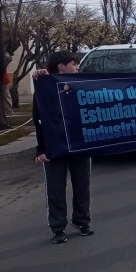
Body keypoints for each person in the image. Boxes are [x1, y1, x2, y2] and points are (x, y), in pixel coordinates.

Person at [32, 51, 93, 244]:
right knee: (56, 189)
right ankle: (58, 227)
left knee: (82, 186)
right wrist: (41, 149)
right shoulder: (45, 86)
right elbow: (38, 120)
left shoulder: (81, 86)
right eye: (74, 64)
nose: (77, 68)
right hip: (54, 148)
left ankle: (82, 221)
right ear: (61, 66)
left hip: (80, 146)